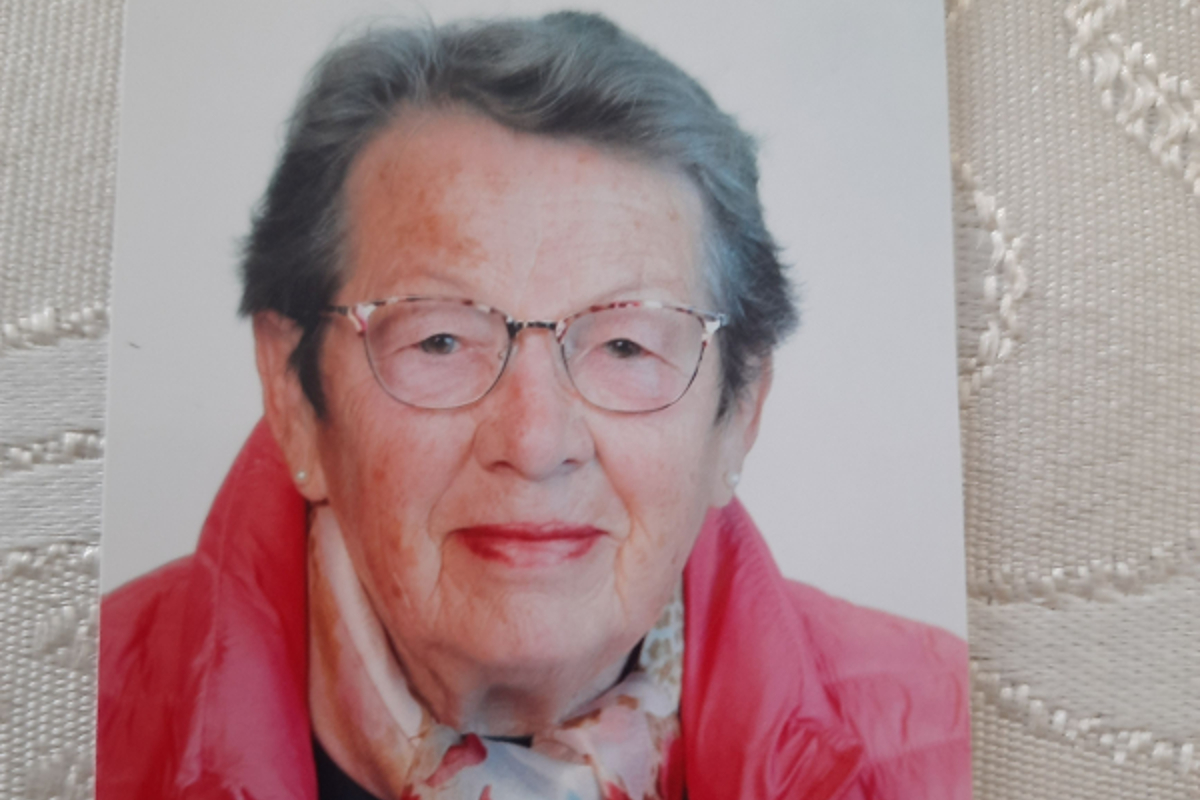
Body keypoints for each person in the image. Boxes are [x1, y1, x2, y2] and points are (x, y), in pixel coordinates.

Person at [99, 12, 970, 800]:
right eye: (441, 340)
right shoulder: (59, 718)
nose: (536, 440)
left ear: (739, 414)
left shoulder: (973, 748)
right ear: (294, 395)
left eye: (624, 346)